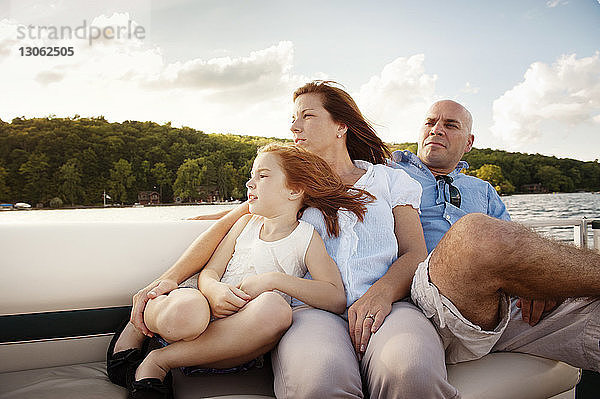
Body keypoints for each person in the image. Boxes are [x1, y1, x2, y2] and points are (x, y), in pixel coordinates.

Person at [113, 80, 431, 399]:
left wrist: (381, 293)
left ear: (341, 126)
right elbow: (228, 225)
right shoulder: (296, 187)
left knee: (413, 374)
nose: (295, 126)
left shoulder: (391, 181)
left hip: (388, 305)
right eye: (293, 118)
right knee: (319, 385)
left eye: (307, 116)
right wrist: (166, 280)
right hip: (309, 311)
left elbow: (414, 252)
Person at [110, 143, 379, 398]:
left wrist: (274, 280)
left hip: (232, 337)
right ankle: (140, 326)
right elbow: (211, 271)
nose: (250, 183)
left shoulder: (306, 237)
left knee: (277, 309)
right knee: (188, 313)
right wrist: (213, 291)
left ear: (295, 190)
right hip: (200, 305)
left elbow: (335, 297)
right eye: (252, 176)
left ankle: (158, 361)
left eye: (262, 176)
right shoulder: (246, 222)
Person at [388, 99, 600, 397]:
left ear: (469, 142)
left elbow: (513, 248)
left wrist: (536, 281)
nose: (436, 130)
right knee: (475, 232)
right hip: (427, 299)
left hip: (496, 307)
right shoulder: (388, 173)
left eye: (450, 125)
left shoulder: (483, 190)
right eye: (430, 122)